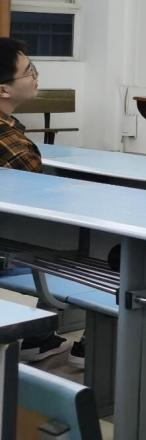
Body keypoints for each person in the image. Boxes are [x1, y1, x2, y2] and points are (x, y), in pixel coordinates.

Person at [0, 38, 72, 364]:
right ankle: (37, 336)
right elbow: (41, 213)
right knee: (86, 250)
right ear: (4, 89)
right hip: (8, 251)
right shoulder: (14, 145)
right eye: (29, 71)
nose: (35, 76)